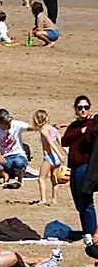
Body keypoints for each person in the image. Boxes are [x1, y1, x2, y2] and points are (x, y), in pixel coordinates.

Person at [61, 95, 96, 242]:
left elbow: (90, 140)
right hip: (73, 168)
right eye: (80, 107)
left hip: (85, 167)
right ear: (76, 109)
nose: (83, 110)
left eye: (85, 107)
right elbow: (64, 141)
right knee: (79, 203)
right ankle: (87, 231)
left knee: (86, 201)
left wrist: (86, 129)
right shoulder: (74, 126)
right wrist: (79, 131)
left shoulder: (93, 124)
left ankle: (93, 233)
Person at [0, 108, 30, 189]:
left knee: (19, 162)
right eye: (6, 123)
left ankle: (19, 179)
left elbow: (32, 127)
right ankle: (5, 175)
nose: (9, 124)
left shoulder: (16, 124)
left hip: (17, 155)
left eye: (9, 121)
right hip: (5, 158)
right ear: (0, 123)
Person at [31, 109, 65, 206]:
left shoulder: (43, 130)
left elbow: (51, 142)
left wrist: (59, 154)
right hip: (56, 159)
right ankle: (54, 199)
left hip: (49, 157)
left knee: (41, 178)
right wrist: (64, 154)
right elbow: (60, 142)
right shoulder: (53, 129)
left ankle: (43, 199)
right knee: (54, 179)